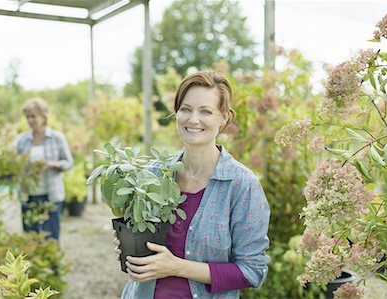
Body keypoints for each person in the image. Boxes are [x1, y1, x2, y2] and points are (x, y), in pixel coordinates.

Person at [114, 71, 270, 298]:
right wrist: (128, 246)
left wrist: (177, 266)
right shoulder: (152, 175)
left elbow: (252, 271)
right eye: (185, 109)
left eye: (205, 111)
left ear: (224, 117)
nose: (193, 119)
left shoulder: (241, 185)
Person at [14, 97, 73, 241]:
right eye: (28, 117)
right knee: (30, 238)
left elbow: (68, 162)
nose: (30, 120)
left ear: (43, 116)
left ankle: (53, 264)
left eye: (33, 116)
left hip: (51, 195)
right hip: (29, 195)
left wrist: (51, 165)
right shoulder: (22, 140)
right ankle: (32, 264)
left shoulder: (57, 138)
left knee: (51, 237)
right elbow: (13, 160)